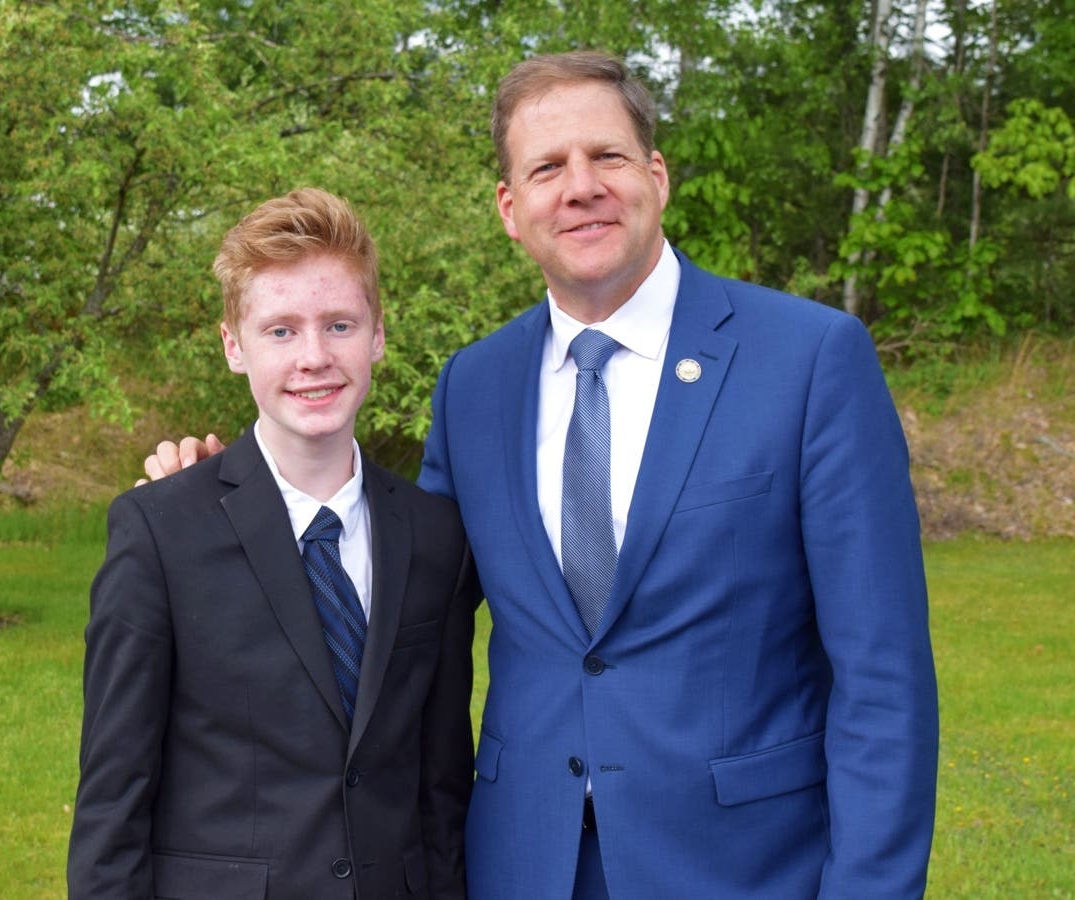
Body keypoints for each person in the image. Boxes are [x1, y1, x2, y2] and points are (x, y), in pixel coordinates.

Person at [143, 52, 939, 899]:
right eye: (547, 168)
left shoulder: (809, 360)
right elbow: (404, 601)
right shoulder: (475, 386)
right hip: (521, 863)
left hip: (742, 866)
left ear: (657, 177)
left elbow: (884, 681)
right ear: (509, 208)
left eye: (608, 157)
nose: (580, 186)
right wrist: (235, 504)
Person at [69, 188, 479, 899]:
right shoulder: (160, 532)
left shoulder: (434, 535)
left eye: (340, 325)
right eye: (281, 331)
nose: (314, 357)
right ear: (235, 346)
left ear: (378, 334)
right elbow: (114, 798)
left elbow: (440, 788)